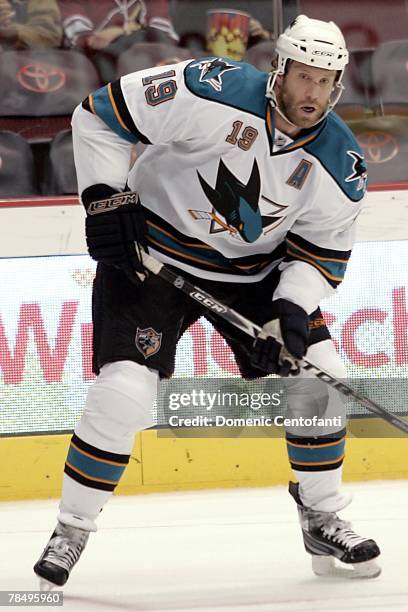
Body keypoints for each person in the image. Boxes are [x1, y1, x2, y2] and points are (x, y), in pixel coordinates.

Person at [34, 14, 381, 588]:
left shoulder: (340, 165)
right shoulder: (207, 87)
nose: (312, 93)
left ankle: (321, 515)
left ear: (337, 85)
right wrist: (103, 199)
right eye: (303, 77)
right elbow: (98, 115)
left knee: (320, 376)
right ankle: (71, 529)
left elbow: (319, 255)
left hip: (252, 275)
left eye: (325, 81)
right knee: (124, 389)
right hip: (152, 256)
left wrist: (291, 312)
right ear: (280, 70)